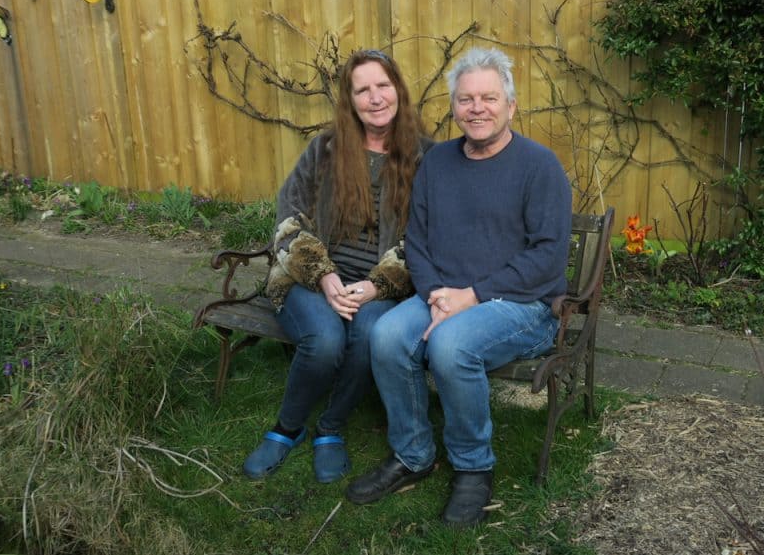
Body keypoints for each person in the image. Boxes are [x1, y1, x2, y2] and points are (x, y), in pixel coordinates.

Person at [345, 47, 573, 526]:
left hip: (521, 305)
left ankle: (473, 468)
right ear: (454, 107)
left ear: (511, 106)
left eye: (489, 98)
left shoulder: (540, 166)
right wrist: (435, 296)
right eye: (466, 99)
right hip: (443, 296)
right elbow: (418, 242)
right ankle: (413, 455)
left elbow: (547, 258)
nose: (477, 108)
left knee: (449, 348)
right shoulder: (439, 162)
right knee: (385, 335)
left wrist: (469, 298)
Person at [243, 49, 433, 484]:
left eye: (383, 85)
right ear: (350, 100)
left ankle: (330, 428)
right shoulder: (324, 149)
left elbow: (428, 236)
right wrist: (325, 277)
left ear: (398, 91)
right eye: (362, 89)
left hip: (382, 288)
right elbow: (289, 219)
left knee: (370, 332)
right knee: (325, 339)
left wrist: (376, 285)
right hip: (309, 281)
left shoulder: (427, 158)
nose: (375, 97)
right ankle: (286, 428)